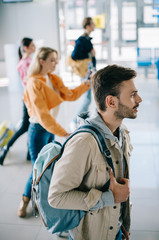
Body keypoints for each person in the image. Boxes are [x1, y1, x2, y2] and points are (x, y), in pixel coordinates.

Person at [48, 64, 142, 240]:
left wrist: (123, 224)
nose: (139, 99)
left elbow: (120, 185)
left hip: (115, 230)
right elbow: (56, 197)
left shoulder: (122, 132)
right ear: (111, 102)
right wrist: (109, 197)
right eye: (132, 95)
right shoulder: (84, 143)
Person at [17, 47, 90, 218]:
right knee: (37, 168)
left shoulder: (52, 78)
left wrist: (86, 84)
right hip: (38, 130)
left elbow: (69, 94)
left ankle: (38, 199)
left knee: (45, 167)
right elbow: (43, 115)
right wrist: (64, 133)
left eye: (56, 60)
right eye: (52, 60)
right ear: (41, 61)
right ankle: (25, 200)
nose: (55, 63)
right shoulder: (34, 83)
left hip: (49, 131)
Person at [0, 37, 36, 165]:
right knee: (26, 126)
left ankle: (28, 152)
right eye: (32, 45)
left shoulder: (28, 61)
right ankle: (6, 148)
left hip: (30, 97)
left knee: (30, 125)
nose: (34, 47)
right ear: (26, 48)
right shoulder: (25, 63)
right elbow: (28, 81)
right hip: (29, 98)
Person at [69, 17, 96, 131]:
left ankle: (82, 120)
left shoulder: (86, 39)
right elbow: (75, 55)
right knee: (87, 98)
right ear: (88, 26)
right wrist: (90, 53)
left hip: (88, 71)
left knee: (88, 97)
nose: (94, 25)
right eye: (93, 24)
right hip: (85, 72)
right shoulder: (82, 39)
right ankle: (75, 120)